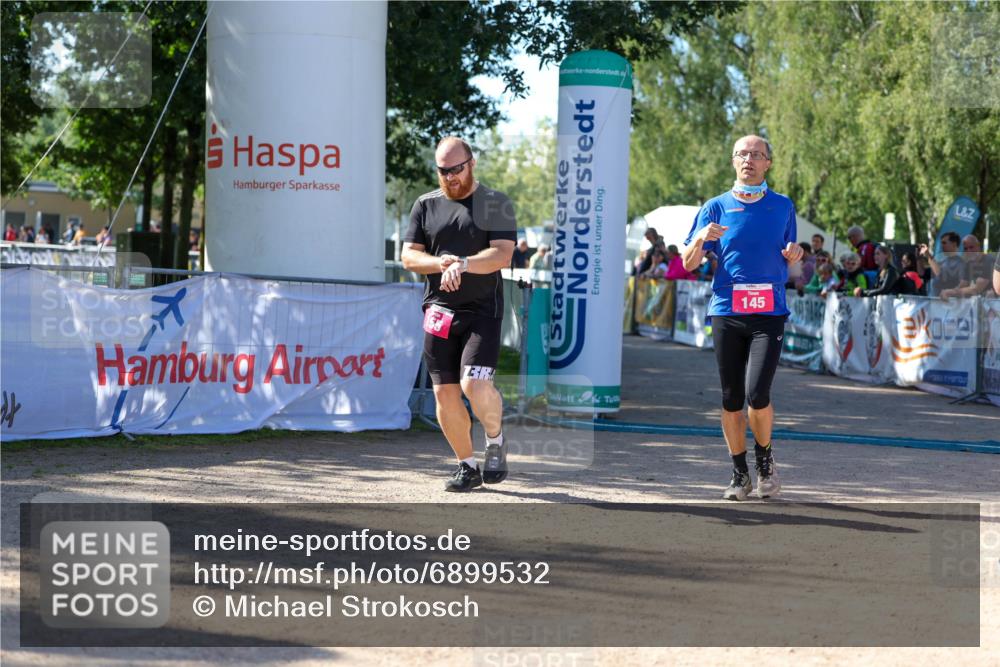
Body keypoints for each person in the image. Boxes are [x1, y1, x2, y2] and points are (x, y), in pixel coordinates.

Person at [682, 134, 801, 501]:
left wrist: (795, 254)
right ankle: (739, 473)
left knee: (758, 394)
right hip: (727, 311)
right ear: (733, 161)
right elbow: (688, 264)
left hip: (769, 312)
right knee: (731, 398)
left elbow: (790, 254)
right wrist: (700, 238)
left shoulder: (782, 206)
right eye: (742, 154)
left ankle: (765, 461)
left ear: (768, 163)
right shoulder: (715, 207)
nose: (749, 159)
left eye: (756, 154)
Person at [401, 137, 516, 492]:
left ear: (472, 163)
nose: (450, 177)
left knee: (474, 384)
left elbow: (502, 255)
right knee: (444, 393)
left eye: (456, 169)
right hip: (439, 311)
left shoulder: (495, 203)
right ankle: (467, 466)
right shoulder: (425, 205)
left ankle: (495, 439)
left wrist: (463, 264)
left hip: (482, 312)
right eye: (443, 171)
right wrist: (441, 263)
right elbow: (408, 257)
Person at [940, 235, 994, 300]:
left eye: (971, 247)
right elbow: (962, 285)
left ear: (978, 246)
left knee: (990, 294)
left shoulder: (989, 261)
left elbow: (976, 289)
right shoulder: (969, 264)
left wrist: (950, 292)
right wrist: (949, 292)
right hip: (982, 301)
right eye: (966, 248)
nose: (969, 251)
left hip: (995, 301)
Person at [919, 232, 963, 296]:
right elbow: (922, 273)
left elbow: (941, 275)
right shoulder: (942, 262)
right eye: (941, 243)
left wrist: (928, 255)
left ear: (954, 244)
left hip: (949, 301)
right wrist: (919, 258)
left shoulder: (961, 263)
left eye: (944, 243)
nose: (942, 246)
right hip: (935, 301)